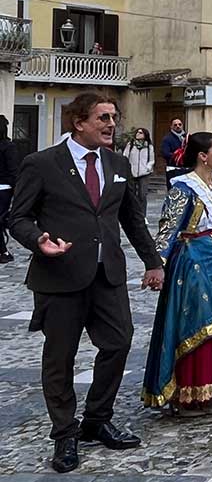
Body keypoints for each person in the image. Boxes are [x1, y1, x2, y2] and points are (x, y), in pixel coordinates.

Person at [10, 92, 164, 473]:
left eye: (114, 118)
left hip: (106, 275)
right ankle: (64, 433)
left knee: (119, 341)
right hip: (60, 276)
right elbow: (18, 218)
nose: (112, 125)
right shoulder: (42, 164)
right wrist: (38, 240)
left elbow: (132, 218)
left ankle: (97, 419)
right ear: (79, 123)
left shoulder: (118, 163)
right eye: (103, 118)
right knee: (60, 358)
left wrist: (153, 261)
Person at [143, 132, 212, 412]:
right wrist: (158, 266)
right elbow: (168, 230)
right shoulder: (184, 187)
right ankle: (192, 388)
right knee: (199, 319)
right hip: (195, 259)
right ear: (204, 156)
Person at [121, 127, 155, 219]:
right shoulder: (131, 145)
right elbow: (125, 157)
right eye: (137, 132)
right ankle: (131, 214)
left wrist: (147, 168)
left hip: (144, 174)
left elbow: (151, 160)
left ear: (145, 135)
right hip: (131, 173)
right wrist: (127, 168)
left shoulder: (149, 146)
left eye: (141, 133)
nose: (138, 134)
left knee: (142, 195)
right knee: (131, 195)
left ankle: (142, 215)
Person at [0, 115, 20, 264]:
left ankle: (3, 251)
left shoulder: (8, 147)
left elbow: (13, 171)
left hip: (3, 188)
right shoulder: (9, 147)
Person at [161, 117, 187, 182]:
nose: (178, 126)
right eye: (175, 125)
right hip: (173, 169)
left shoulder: (187, 137)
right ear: (171, 126)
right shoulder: (167, 139)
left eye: (179, 124)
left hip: (186, 169)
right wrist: (178, 156)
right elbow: (165, 153)